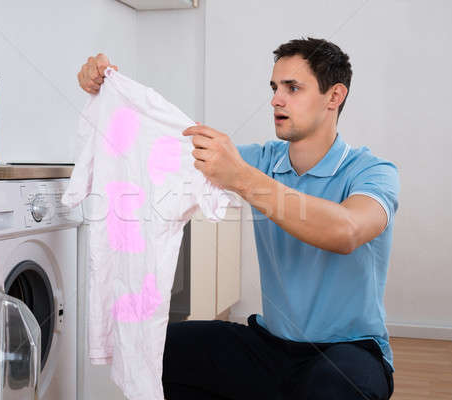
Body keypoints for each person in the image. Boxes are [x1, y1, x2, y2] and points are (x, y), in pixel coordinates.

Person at [77, 37, 398, 400]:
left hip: (349, 350)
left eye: (293, 88)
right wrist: (114, 93)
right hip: (271, 345)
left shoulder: (372, 172)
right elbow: (170, 150)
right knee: (154, 353)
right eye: (275, 87)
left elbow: (347, 231)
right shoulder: (261, 160)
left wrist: (242, 178)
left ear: (334, 96)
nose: (277, 99)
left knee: (337, 388)